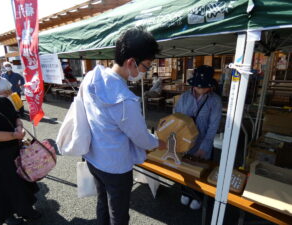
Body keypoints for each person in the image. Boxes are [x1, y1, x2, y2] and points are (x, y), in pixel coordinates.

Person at [82, 27, 166, 225]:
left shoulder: (91, 77)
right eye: (145, 67)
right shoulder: (125, 99)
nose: (145, 72)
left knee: (103, 202)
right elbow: (140, 137)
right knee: (119, 214)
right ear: (131, 62)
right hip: (115, 166)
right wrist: (158, 142)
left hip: (93, 157)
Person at [0, 78, 41, 225]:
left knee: (21, 180)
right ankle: (7, 215)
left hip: (15, 150)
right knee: (3, 186)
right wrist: (14, 135)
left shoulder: (4, 101)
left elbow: (16, 118)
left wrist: (19, 128)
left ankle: (26, 210)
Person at [174, 65, 222, 210]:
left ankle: (198, 196)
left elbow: (213, 127)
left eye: (204, 87)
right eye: (197, 86)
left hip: (202, 142)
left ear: (210, 86)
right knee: (184, 167)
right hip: (184, 140)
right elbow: (175, 116)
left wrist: (204, 147)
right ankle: (186, 192)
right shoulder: (184, 97)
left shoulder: (215, 101)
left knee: (199, 169)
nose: (200, 89)